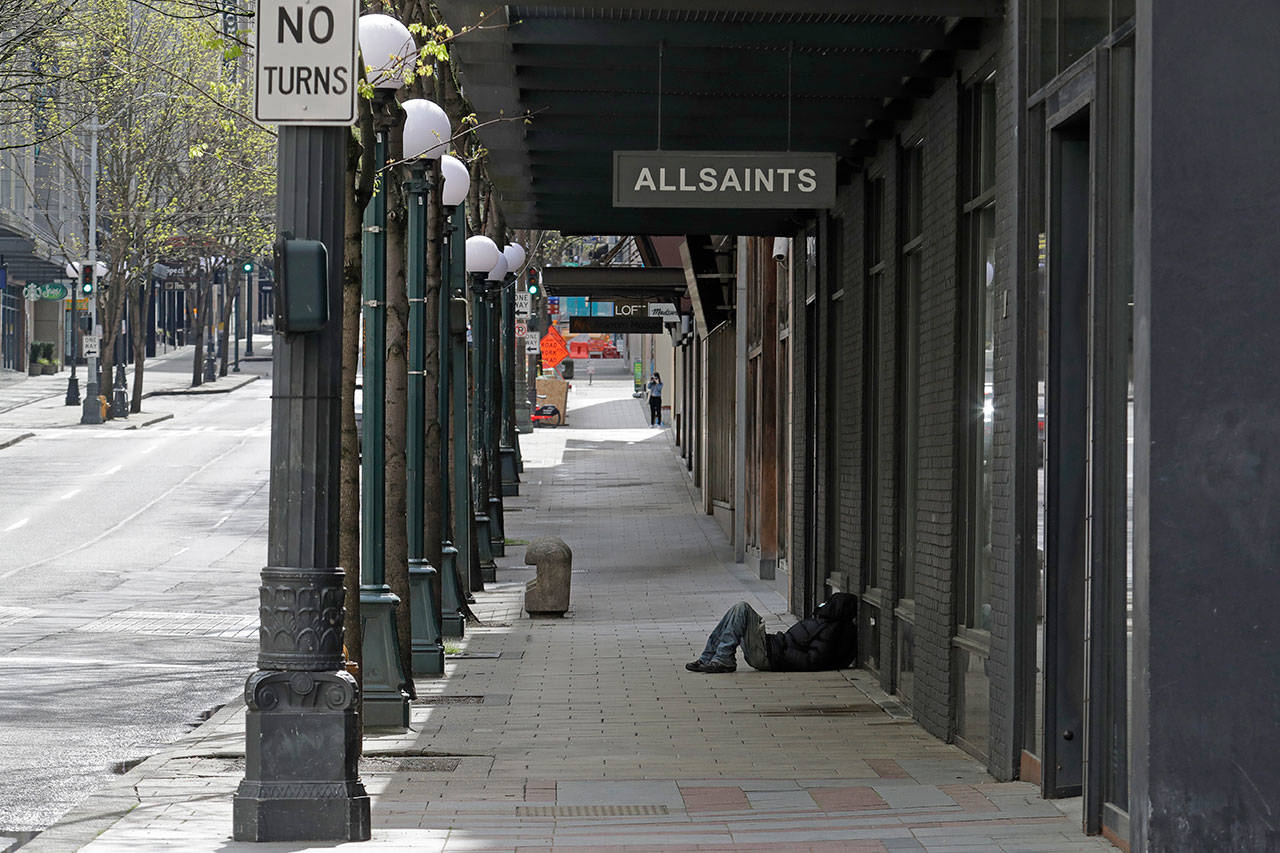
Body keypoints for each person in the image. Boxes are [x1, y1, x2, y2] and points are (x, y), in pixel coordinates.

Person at [686, 593, 857, 674]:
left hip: (770, 655)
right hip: (771, 647)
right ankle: (708, 657)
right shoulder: (825, 623)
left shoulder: (831, 630)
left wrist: (782, 651)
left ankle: (723, 659)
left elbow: (812, 661)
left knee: (743, 608)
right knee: (736, 611)